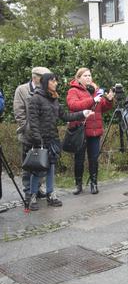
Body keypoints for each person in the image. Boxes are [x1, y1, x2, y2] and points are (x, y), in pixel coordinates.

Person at [26, 73, 93, 210]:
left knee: (51, 167)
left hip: (53, 139)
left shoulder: (54, 99)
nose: (56, 83)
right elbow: (33, 122)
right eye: (53, 81)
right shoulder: (35, 99)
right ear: (46, 83)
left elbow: (65, 116)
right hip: (40, 140)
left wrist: (82, 113)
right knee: (37, 170)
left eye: (56, 80)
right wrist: (38, 141)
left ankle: (51, 195)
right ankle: (32, 196)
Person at [66, 68, 114, 195]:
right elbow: (74, 106)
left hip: (95, 130)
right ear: (78, 78)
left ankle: (94, 183)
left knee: (94, 158)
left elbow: (103, 108)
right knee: (79, 159)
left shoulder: (96, 91)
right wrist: (93, 100)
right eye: (85, 75)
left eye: (90, 75)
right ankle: (78, 185)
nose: (88, 77)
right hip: (80, 130)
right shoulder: (73, 91)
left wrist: (108, 100)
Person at [14, 67, 51, 198]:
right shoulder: (22, 90)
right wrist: (29, 129)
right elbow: (19, 113)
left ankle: (38, 187)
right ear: (35, 77)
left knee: (41, 162)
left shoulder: (46, 90)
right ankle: (28, 190)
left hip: (43, 135)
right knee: (28, 163)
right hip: (28, 135)